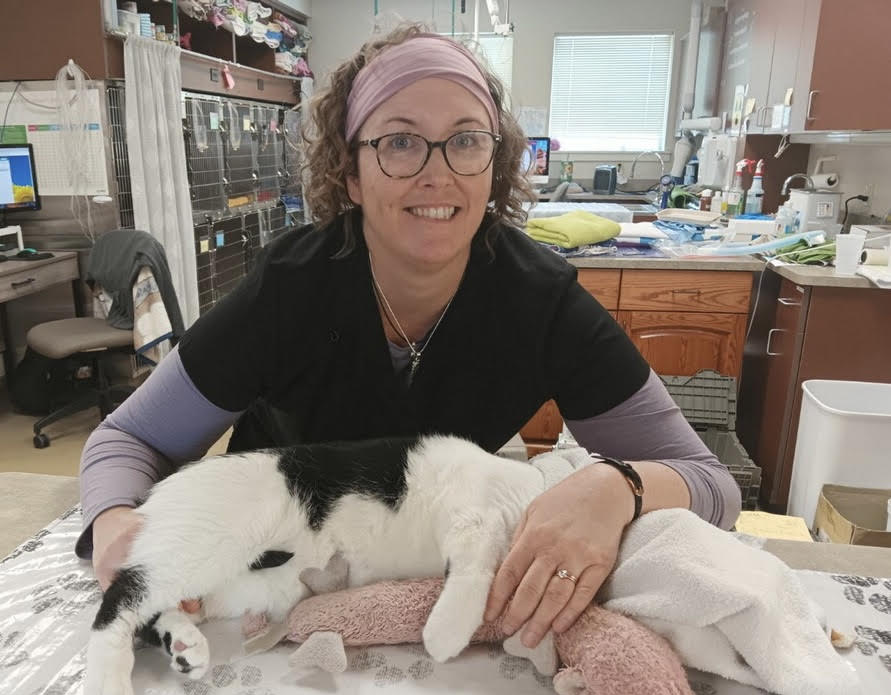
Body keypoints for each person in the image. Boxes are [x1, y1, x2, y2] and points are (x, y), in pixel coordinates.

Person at [78, 23, 741, 652]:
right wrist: (113, 521)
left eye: (465, 140)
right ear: (350, 176)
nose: (437, 172)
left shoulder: (541, 302)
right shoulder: (290, 289)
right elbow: (128, 438)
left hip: (428, 596)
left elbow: (711, 484)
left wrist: (616, 487)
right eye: (398, 141)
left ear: (495, 167)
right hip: (267, 588)